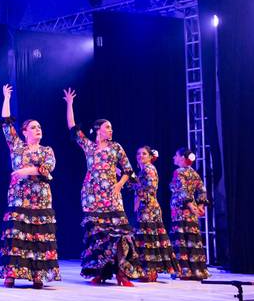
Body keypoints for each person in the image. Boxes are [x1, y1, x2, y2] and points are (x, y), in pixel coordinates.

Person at [63, 88, 142, 286]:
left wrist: (119, 184)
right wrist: (70, 104)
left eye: (111, 128)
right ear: (98, 129)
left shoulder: (116, 148)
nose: (111, 130)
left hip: (112, 196)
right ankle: (100, 272)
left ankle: (122, 274)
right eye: (108, 127)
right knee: (98, 236)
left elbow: (128, 170)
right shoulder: (89, 147)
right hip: (92, 196)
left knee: (119, 234)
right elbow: (72, 127)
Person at [0, 84, 60, 289]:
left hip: (40, 198)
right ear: (24, 132)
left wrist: (27, 170)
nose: (38, 129)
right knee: (17, 234)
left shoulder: (47, 150)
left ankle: (38, 275)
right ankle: (11, 274)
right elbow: (6, 123)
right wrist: (6, 98)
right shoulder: (17, 146)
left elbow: (48, 168)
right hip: (19, 196)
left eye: (39, 127)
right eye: (33, 127)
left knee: (39, 235)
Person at [129, 146, 178, 282]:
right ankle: (148, 271)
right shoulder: (143, 170)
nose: (140, 156)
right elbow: (138, 186)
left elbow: (150, 188)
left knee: (148, 239)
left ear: (150, 157)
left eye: (144, 154)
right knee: (148, 239)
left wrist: (138, 197)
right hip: (145, 206)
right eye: (138, 153)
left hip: (149, 207)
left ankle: (150, 271)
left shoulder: (149, 169)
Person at [169, 147, 210, 280]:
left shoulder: (178, 172)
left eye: (176, 155)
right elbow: (202, 190)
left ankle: (184, 271)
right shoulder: (194, 173)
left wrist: (192, 207)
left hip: (181, 210)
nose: (174, 158)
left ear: (182, 158)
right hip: (191, 211)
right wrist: (200, 206)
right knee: (192, 238)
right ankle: (197, 270)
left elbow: (182, 190)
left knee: (181, 239)